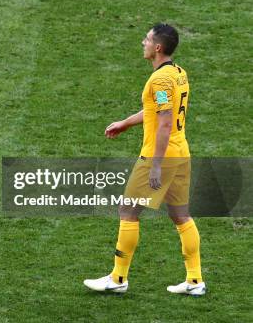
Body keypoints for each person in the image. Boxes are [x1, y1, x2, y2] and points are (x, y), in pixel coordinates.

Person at [83, 24, 205, 296]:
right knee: (180, 215)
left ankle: (118, 278)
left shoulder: (160, 81)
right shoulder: (178, 74)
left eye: (147, 39)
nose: (143, 42)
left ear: (158, 48)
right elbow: (157, 110)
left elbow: (163, 123)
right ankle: (195, 280)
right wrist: (126, 123)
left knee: (127, 210)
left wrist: (157, 165)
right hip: (181, 152)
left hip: (160, 155)